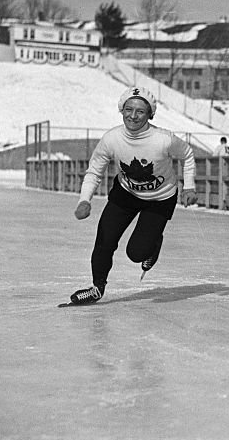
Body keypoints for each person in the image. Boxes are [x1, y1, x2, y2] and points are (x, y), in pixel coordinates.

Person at [68, 86, 197, 305]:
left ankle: (153, 243)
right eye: (128, 109)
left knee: (136, 253)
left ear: (150, 115)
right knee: (104, 241)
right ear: (121, 110)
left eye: (140, 111)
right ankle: (97, 287)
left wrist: (189, 186)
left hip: (160, 199)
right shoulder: (112, 139)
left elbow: (187, 154)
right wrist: (84, 200)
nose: (133, 116)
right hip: (125, 194)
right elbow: (94, 171)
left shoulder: (163, 139)